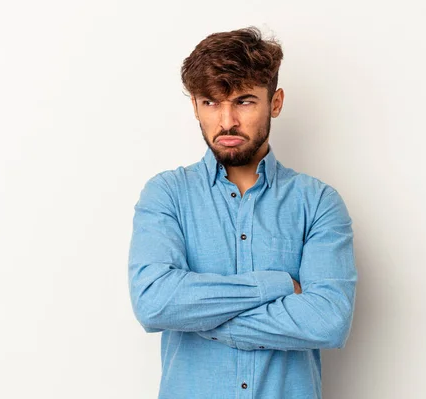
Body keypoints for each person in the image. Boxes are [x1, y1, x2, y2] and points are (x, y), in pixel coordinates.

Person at [128, 26, 357, 399]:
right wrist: (278, 285)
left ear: (276, 102)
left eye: (244, 101)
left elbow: (327, 322)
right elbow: (154, 302)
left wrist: (200, 318)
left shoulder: (318, 203)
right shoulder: (167, 195)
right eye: (211, 102)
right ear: (195, 106)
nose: (227, 121)